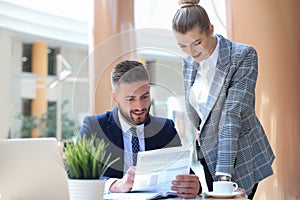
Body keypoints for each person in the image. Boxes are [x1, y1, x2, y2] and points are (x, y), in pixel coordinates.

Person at [172, 0, 275, 199]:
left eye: (197, 43)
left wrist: (224, 178)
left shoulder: (242, 56)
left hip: (239, 153)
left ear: (210, 29)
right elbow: (199, 110)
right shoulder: (188, 63)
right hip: (208, 153)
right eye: (182, 46)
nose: (192, 52)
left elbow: (231, 115)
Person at [78, 60, 200, 198]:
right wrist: (115, 185)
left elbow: (184, 173)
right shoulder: (94, 127)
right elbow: (75, 176)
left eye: (144, 97)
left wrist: (194, 185)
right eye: (130, 99)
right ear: (115, 98)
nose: (140, 106)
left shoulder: (165, 128)